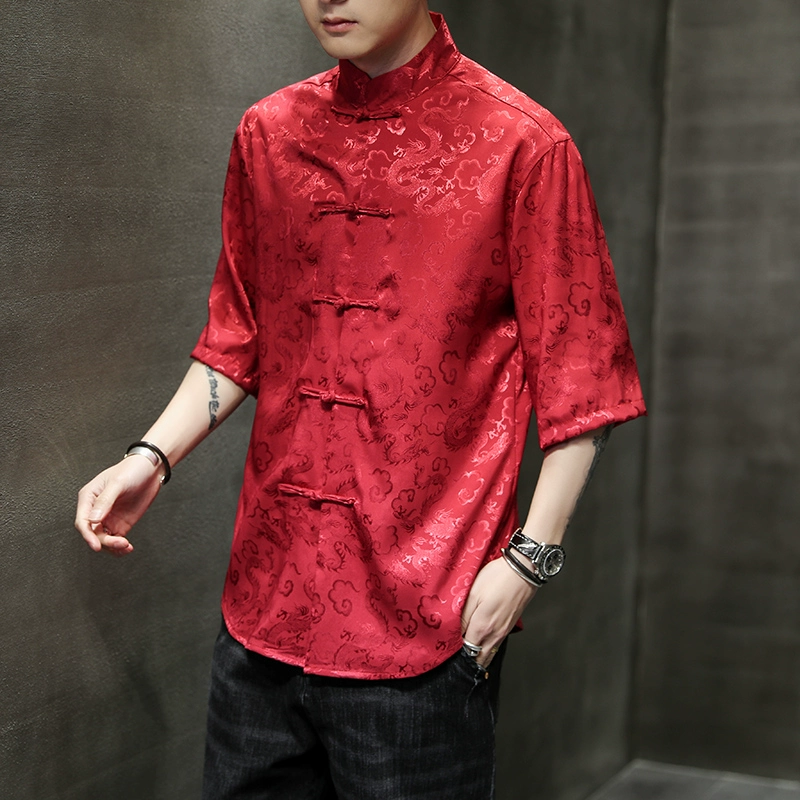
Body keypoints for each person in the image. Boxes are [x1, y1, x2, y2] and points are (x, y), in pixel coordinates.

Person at [75, 1, 646, 798]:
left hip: (425, 628)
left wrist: (528, 560)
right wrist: (151, 457)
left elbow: (585, 380)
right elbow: (240, 338)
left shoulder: (523, 144)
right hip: (262, 619)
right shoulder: (268, 134)